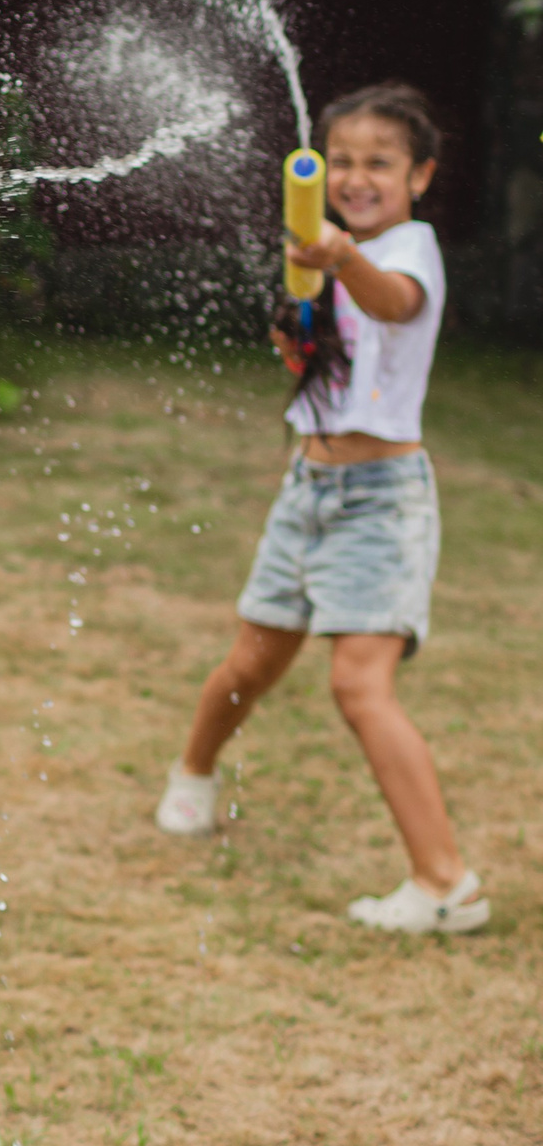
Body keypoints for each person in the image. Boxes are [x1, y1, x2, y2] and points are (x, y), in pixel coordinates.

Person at [153, 83, 478, 934]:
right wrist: (297, 311)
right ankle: (192, 774)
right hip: (309, 488)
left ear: (421, 176)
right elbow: (308, 350)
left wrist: (335, 261)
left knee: (358, 685)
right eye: (341, 161)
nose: (357, 176)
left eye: (380, 162)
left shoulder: (408, 250)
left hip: (382, 502)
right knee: (250, 664)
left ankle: (444, 884)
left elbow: (394, 304)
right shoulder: (323, 252)